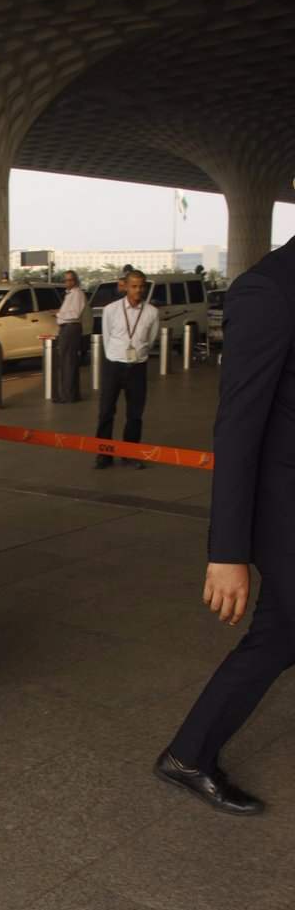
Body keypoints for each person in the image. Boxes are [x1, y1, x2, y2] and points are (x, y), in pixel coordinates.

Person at [154, 238, 295, 815]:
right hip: (285, 504)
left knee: (282, 633)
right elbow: (237, 426)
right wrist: (228, 551)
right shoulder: (271, 288)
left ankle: (190, 754)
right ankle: (189, 754)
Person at [94, 269, 159, 469]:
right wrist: (117, 354)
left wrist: (138, 353)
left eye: (141, 286)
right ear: (125, 287)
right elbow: (107, 335)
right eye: (134, 286)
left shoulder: (151, 312)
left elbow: (151, 339)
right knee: (106, 411)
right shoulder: (111, 310)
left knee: (135, 414)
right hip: (114, 365)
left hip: (138, 367)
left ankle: (129, 454)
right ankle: (103, 454)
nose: (138, 290)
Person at [54, 270, 86, 402]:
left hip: (71, 328)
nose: (67, 282)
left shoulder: (77, 294)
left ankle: (68, 396)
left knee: (68, 363)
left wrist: (58, 314)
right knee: (67, 362)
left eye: (70, 280)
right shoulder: (70, 294)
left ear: (75, 280)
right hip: (66, 328)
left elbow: (75, 314)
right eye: (66, 280)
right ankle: (71, 394)